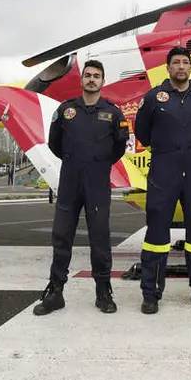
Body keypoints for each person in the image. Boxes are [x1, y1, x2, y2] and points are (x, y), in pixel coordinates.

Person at [33, 59, 129, 316]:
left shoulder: (113, 112)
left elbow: (119, 147)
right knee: (62, 235)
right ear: (82, 79)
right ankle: (55, 292)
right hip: (70, 182)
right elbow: (55, 144)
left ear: (102, 81)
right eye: (87, 75)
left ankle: (103, 291)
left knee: (100, 238)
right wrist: (76, 161)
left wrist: (98, 162)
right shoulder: (66, 111)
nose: (91, 79)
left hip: (98, 182)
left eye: (96, 75)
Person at [134, 46, 191, 314]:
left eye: (185, 62)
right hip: (163, 168)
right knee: (157, 233)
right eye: (176, 63)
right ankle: (151, 293)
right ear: (168, 68)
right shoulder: (154, 97)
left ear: (190, 67)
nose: (181, 67)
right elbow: (142, 132)